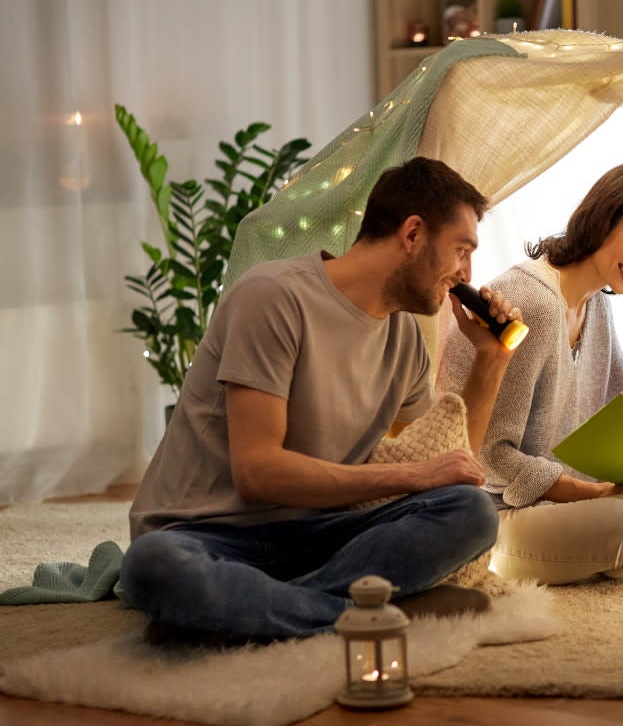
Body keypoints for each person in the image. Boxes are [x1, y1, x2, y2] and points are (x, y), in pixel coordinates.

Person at [120, 157, 522, 643]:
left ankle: (258, 613)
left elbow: (452, 466)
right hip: (206, 534)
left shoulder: (406, 339)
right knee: (153, 566)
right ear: (413, 234)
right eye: (461, 250)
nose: (466, 273)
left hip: (317, 537)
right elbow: (258, 473)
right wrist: (414, 475)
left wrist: (492, 358)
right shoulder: (273, 297)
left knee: (470, 511)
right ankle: (362, 613)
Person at [436, 161, 623, 585]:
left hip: (555, 507)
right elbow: (489, 456)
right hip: (490, 512)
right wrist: (598, 494)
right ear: (601, 220)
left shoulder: (595, 303)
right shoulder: (532, 302)